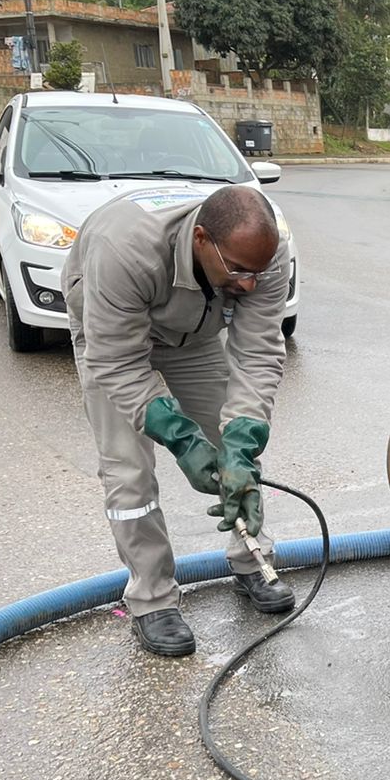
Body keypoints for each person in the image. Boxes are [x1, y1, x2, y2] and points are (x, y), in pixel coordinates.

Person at [63, 183, 296, 657]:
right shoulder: (123, 250)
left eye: (258, 272)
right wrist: (182, 440)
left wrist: (242, 441)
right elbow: (118, 364)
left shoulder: (263, 253)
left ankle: (253, 560)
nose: (249, 283)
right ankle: (152, 599)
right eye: (238, 270)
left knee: (234, 446)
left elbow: (258, 352)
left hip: (195, 334)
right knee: (128, 470)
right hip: (113, 338)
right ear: (201, 240)